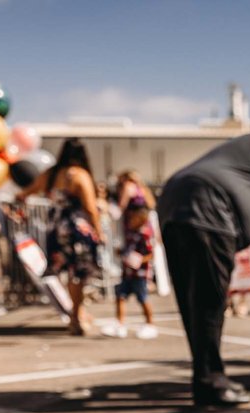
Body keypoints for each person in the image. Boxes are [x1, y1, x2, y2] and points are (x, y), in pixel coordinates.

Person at [157, 132, 250, 406]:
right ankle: (209, 381)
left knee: (193, 301)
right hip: (208, 207)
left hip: (173, 201)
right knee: (210, 301)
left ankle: (204, 374)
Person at [18, 138, 104, 336]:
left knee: (66, 272)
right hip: (75, 229)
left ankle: (77, 312)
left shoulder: (51, 174)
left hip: (55, 228)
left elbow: (26, 193)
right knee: (78, 275)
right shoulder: (79, 175)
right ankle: (76, 316)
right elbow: (90, 207)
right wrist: (98, 230)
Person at [102, 197, 158, 340]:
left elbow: (151, 254)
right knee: (120, 296)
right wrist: (122, 253)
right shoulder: (131, 233)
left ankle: (150, 323)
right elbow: (128, 249)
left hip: (140, 273)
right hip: (128, 272)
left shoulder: (145, 234)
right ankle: (120, 323)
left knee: (142, 298)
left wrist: (139, 260)